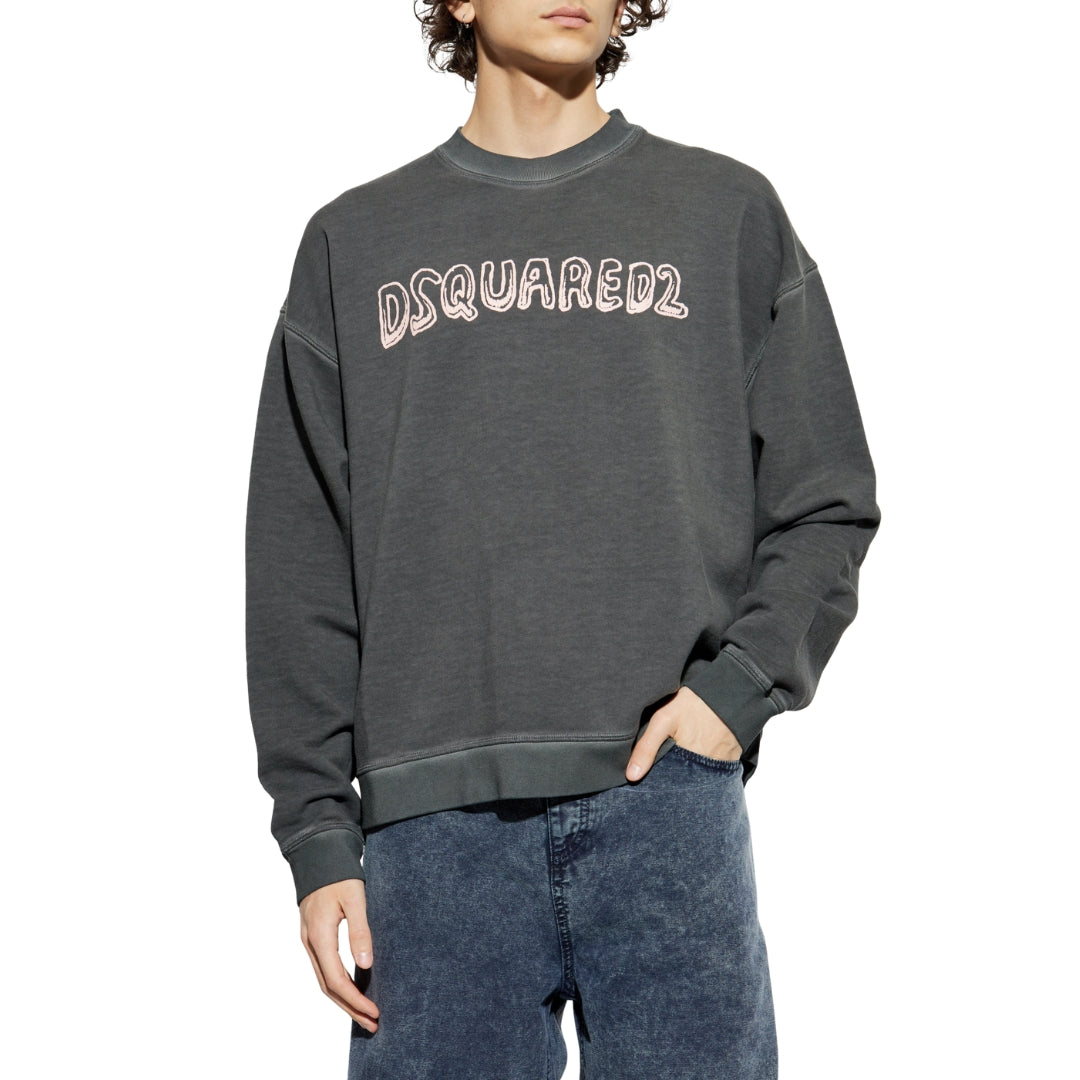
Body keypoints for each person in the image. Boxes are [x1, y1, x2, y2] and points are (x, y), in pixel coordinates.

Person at [244, 2, 880, 1076]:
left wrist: (734, 696)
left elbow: (827, 498)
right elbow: (299, 558)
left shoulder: (724, 214)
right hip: (428, 841)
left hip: (666, 809)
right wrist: (314, 832)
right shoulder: (355, 244)